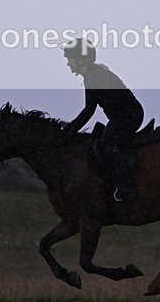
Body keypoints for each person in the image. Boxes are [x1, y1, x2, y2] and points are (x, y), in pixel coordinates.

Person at [62, 38, 144, 201]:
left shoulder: (95, 76)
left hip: (129, 116)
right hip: (122, 116)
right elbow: (89, 109)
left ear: (82, 59)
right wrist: (69, 129)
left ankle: (126, 187)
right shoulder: (91, 75)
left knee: (106, 144)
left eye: (70, 59)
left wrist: (69, 131)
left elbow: (88, 111)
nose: (68, 63)